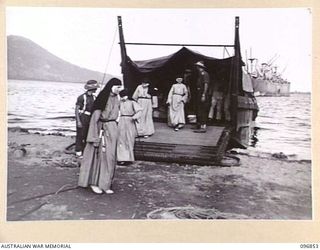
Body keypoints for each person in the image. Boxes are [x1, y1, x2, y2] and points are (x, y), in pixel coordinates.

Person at [78, 78, 123, 195]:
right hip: (101, 130)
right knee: (99, 157)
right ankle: (94, 183)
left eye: (120, 87)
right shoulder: (102, 98)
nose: (119, 89)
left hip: (112, 128)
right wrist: (94, 136)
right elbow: (94, 119)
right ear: (111, 86)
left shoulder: (117, 98)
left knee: (110, 157)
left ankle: (105, 183)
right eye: (117, 87)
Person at [117, 89, 142, 165]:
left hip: (130, 120)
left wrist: (135, 117)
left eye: (123, 96)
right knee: (121, 139)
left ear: (127, 96)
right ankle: (121, 158)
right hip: (121, 120)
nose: (122, 98)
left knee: (129, 139)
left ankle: (128, 158)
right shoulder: (119, 102)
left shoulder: (132, 102)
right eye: (121, 96)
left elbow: (140, 111)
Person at [75, 80, 99, 158]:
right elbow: (76, 109)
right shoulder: (82, 97)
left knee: (88, 134)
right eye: (95, 88)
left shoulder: (95, 97)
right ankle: (78, 151)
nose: (96, 89)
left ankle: (85, 150)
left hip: (91, 117)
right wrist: (78, 121)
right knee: (80, 134)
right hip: (83, 117)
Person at [194, 61, 210, 133]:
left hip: (202, 92)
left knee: (202, 108)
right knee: (199, 108)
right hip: (199, 92)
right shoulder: (200, 74)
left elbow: (206, 84)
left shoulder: (205, 74)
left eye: (198, 66)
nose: (197, 68)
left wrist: (204, 94)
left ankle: (203, 125)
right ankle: (199, 124)